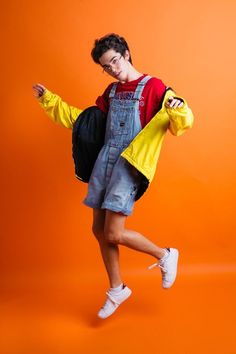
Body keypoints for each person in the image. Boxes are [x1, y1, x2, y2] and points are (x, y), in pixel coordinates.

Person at [33, 33, 193, 319]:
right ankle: (117, 288)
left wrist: (178, 110)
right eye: (106, 66)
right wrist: (50, 100)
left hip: (129, 165)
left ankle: (165, 255)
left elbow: (182, 120)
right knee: (99, 231)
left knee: (113, 232)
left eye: (115, 61)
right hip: (104, 161)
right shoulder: (111, 92)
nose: (113, 69)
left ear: (127, 54)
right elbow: (83, 122)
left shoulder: (154, 86)